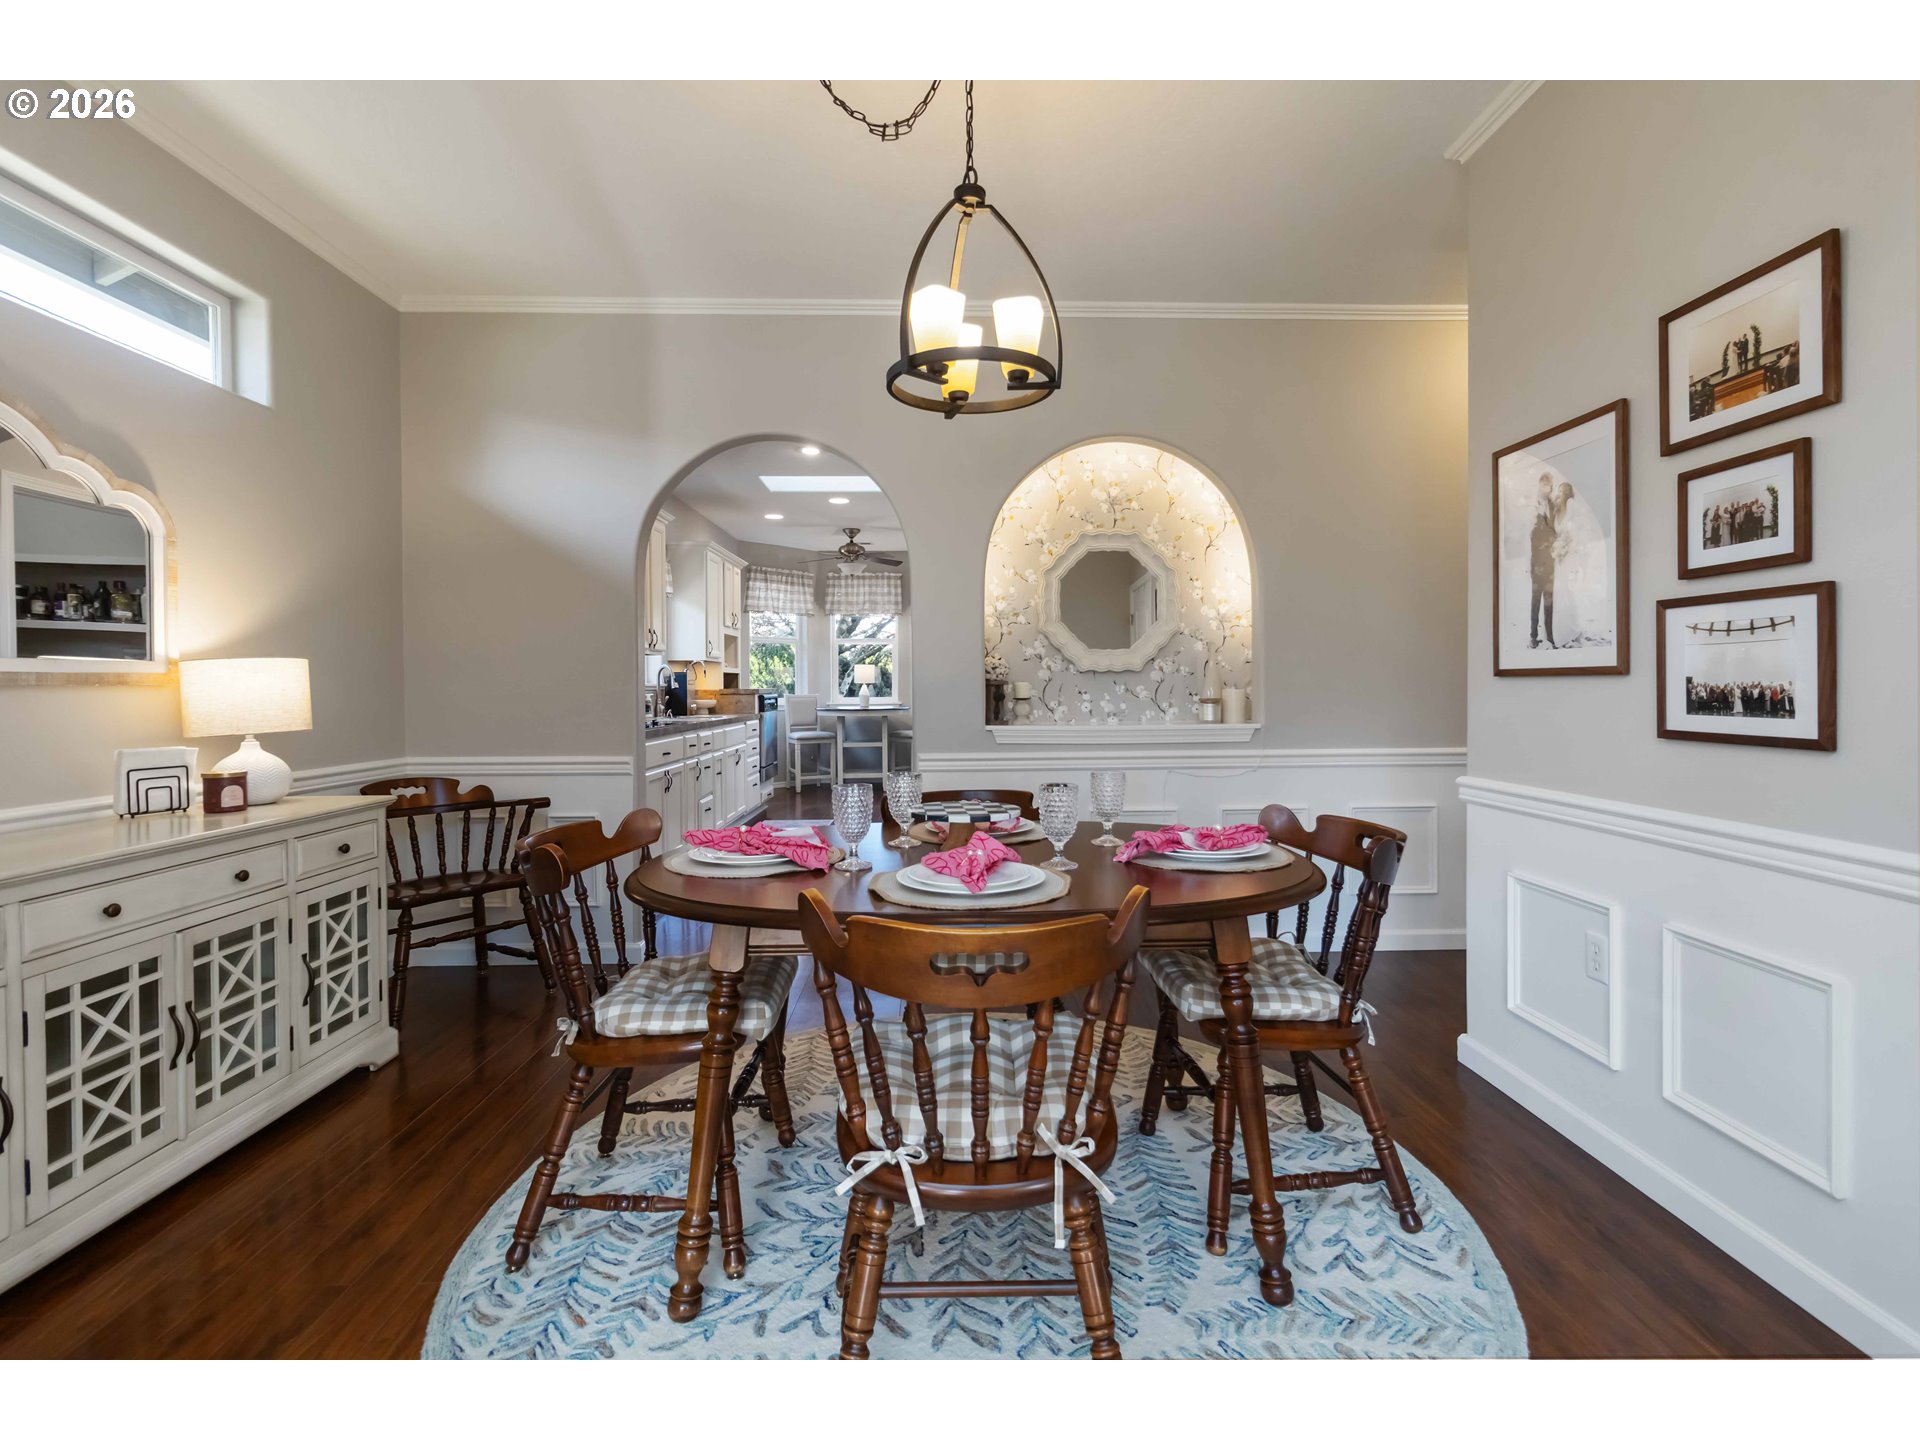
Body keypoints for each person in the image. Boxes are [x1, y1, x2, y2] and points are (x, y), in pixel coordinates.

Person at [1528, 473, 1557, 649]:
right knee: (1536, 598)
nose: (1545, 488)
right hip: (1536, 561)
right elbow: (1532, 535)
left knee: (1549, 599)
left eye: (1548, 485)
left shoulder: (1553, 506)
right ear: (1539, 486)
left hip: (1550, 561)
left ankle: (1550, 635)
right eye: (1542, 485)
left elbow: (1556, 531)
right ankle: (1533, 636)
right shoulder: (1534, 506)